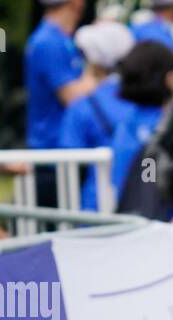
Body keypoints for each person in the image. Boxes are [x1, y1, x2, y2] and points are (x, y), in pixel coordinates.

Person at [25, 0, 98, 205]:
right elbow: (71, 96)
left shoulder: (60, 38)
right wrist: (102, 75)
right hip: (53, 158)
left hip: (61, 155)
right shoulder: (48, 41)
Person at [58, 20, 135, 210]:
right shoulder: (145, 99)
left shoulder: (83, 106)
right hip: (141, 202)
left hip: (96, 207)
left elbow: (66, 160)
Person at [110, 40, 173, 200]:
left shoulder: (126, 122)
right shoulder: (159, 127)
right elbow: (149, 182)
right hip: (148, 216)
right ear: (169, 79)